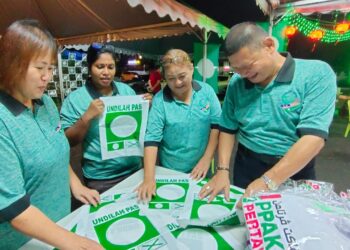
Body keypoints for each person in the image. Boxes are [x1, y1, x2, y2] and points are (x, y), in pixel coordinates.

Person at [199, 22, 337, 202]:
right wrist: (223, 170)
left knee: (291, 223)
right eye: (237, 69)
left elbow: (314, 138)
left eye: (248, 66)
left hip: (294, 167)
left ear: (269, 46)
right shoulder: (237, 83)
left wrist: (267, 181)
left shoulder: (316, 74)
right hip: (247, 163)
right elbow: (228, 128)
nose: (243, 75)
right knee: (245, 221)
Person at [0, 20, 102, 249]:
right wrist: (76, 243)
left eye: (50, 69)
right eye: (39, 68)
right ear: (12, 65)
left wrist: (75, 185)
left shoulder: (46, 103)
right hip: (25, 243)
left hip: (61, 226)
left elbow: (57, 149)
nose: (47, 77)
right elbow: (15, 209)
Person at [60, 43, 152, 194]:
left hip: (134, 170)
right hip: (101, 178)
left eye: (111, 67)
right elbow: (68, 141)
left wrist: (146, 107)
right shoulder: (76, 99)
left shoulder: (127, 91)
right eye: (100, 66)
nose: (106, 72)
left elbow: (139, 126)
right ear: (90, 67)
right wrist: (86, 118)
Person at [136, 49, 222, 201]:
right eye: (171, 79)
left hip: (202, 168)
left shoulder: (206, 92)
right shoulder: (160, 100)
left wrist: (207, 159)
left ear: (191, 68)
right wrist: (149, 178)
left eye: (182, 76)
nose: (177, 83)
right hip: (170, 171)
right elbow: (151, 140)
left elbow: (216, 126)